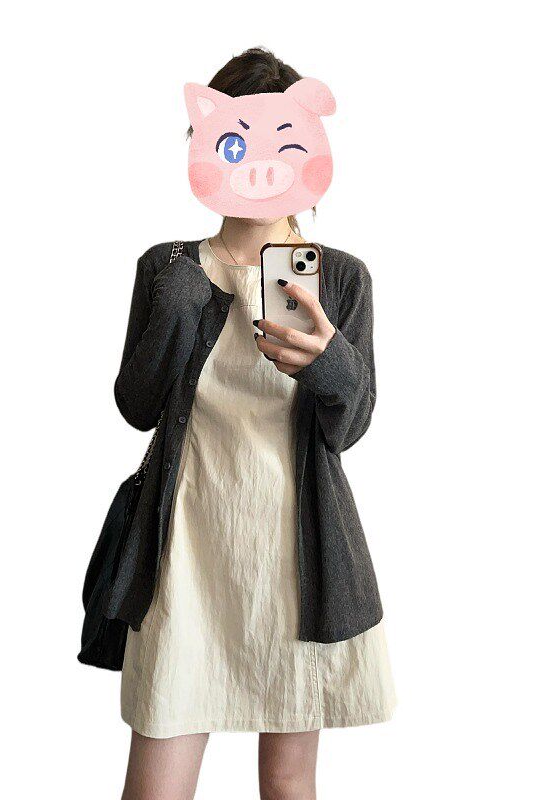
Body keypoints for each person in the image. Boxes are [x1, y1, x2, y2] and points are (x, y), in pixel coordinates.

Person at [113, 48, 396, 800]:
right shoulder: (168, 267)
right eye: (237, 144)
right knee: (157, 780)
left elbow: (350, 427)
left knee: (288, 781)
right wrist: (175, 311)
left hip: (297, 554)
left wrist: (330, 362)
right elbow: (136, 407)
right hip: (186, 550)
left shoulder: (340, 277)